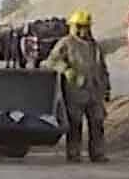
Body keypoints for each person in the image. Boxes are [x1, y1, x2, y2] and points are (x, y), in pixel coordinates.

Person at [43, 9, 110, 163]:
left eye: (85, 26)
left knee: (97, 122)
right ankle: (74, 153)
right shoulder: (66, 43)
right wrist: (66, 70)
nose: (83, 30)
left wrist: (106, 87)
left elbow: (102, 68)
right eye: (79, 26)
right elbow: (51, 61)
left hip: (94, 91)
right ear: (73, 26)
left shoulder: (95, 46)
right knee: (75, 123)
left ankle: (97, 153)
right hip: (75, 92)